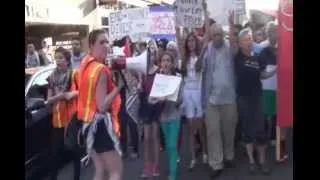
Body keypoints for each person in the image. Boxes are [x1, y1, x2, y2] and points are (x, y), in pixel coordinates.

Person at [195, 11, 238, 178]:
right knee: (213, 132)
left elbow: (235, 48)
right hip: (211, 100)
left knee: (229, 130)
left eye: (220, 34)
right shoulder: (208, 49)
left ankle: (228, 156)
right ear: (211, 37)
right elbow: (197, 68)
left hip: (229, 99)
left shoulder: (228, 47)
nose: (218, 37)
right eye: (214, 35)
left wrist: (232, 25)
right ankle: (216, 163)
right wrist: (203, 49)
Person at [77, 29, 124, 180]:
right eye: (101, 42)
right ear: (91, 45)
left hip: (87, 123)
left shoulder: (86, 65)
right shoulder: (101, 69)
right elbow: (102, 106)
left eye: (107, 42)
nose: (106, 45)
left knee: (100, 170)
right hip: (100, 125)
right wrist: (119, 87)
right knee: (115, 171)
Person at [234, 28, 276, 175]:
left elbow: (263, 74)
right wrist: (232, 24)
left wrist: (274, 72)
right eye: (245, 39)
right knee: (247, 130)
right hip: (243, 98)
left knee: (261, 130)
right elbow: (232, 37)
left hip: (257, 97)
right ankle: (252, 161)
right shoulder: (237, 56)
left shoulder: (259, 56)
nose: (249, 41)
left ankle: (262, 162)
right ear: (240, 43)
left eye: (250, 38)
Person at [46, 47, 80, 180]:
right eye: (56, 58)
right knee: (55, 153)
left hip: (71, 118)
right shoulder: (52, 77)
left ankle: (76, 177)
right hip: (57, 118)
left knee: (74, 150)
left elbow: (82, 91)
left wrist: (71, 94)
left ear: (67, 60)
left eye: (61, 58)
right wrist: (60, 97)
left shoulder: (74, 74)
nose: (58, 61)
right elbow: (49, 99)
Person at [149, 52, 182, 180]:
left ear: (172, 63)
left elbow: (180, 99)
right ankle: (173, 160)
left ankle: (172, 175)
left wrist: (167, 98)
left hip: (174, 115)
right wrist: (156, 100)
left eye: (168, 60)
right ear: (160, 63)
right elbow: (150, 99)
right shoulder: (158, 78)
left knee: (172, 145)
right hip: (163, 116)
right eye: (163, 60)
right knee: (169, 145)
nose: (166, 63)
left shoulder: (177, 77)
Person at [180, 32, 207, 170]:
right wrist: (178, 26)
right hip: (187, 95)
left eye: (193, 40)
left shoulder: (200, 57)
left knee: (201, 127)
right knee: (191, 129)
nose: (191, 43)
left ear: (196, 42)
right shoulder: (183, 59)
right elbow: (179, 37)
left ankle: (204, 152)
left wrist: (206, 18)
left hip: (198, 93)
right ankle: (193, 158)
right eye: (188, 41)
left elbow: (198, 67)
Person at [138, 41, 161, 178]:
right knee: (147, 138)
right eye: (147, 56)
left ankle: (156, 165)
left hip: (156, 106)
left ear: (154, 56)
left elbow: (162, 89)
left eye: (151, 55)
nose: (149, 58)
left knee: (155, 137)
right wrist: (139, 88)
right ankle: (148, 165)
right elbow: (141, 91)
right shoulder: (142, 73)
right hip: (146, 106)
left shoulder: (159, 71)